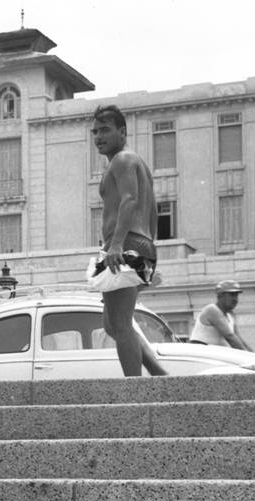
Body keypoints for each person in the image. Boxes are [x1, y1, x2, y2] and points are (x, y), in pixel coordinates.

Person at [92, 105, 167, 377]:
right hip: (139, 244)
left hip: (125, 245)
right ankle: (159, 375)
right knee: (112, 324)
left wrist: (117, 245)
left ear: (122, 131)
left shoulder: (122, 160)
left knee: (120, 324)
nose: (98, 137)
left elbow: (130, 201)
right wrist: (148, 253)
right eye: (95, 131)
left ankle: (136, 393)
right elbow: (153, 208)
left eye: (105, 130)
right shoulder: (136, 163)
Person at [189, 280, 253, 350]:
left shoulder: (230, 315)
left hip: (214, 356)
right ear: (220, 295)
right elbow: (230, 337)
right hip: (202, 356)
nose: (235, 299)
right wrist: (247, 357)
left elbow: (238, 339)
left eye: (236, 295)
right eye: (231, 295)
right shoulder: (212, 310)